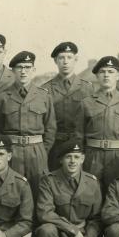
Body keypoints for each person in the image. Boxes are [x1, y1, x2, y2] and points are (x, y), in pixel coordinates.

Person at [33, 140, 104, 237]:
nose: (72, 161)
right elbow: (45, 213)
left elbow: (97, 218)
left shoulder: (92, 182)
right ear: (60, 160)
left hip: (83, 235)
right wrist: (73, 230)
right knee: (46, 230)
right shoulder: (49, 180)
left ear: (83, 159)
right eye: (68, 157)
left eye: (76, 157)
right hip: (58, 233)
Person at [0, 50, 56, 196]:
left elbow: (50, 128)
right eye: (19, 67)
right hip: (12, 151)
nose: (23, 71)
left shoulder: (44, 95)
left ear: (33, 70)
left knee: (39, 189)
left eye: (27, 67)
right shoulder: (2, 97)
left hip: (37, 151)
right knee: (11, 189)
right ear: (13, 71)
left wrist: (42, 150)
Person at [74, 56, 119, 189]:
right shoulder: (86, 103)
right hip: (93, 156)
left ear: (117, 75)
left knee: (118, 193)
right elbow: (78, 136)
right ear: (97, 76)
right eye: (102, 72)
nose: (106, 75)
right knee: (91, 193)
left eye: (110, 72)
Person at [42, 42, 94, 170]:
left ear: (75, 60)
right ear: (55, 61)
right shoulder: (45, 89)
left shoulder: (87, 88)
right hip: (55, 144)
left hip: (79, 144)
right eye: (61, 58)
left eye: (69, 57)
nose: (65, 62)